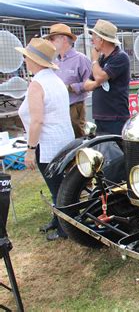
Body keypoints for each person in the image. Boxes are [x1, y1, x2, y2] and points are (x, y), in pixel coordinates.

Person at [15, 38, 75, 241]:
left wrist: (30, 149)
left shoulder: (37, 84)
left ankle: (64, 228)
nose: (25, 60)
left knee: (57, 188)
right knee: (61, 185)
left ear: (35, 60)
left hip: (48, 144)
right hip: (63, 139)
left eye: (27, 57)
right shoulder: (55, 80)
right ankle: (58, 221)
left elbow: (37, 121)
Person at [44, 23, 92, 138]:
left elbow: (91, 83)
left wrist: (71, 87)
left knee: (77, 139)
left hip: (74, 107)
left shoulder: (81, 59)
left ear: (64, 39)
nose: (50, 42)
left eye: (52, 38)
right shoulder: (55, 61)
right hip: (58, 108)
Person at [83, 19, 130, 135]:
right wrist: (97, 83)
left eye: (93, 36)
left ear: (101, 40)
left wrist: (94, 60)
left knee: (116, 151)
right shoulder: (101, 60)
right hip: (101, 117)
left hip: (115, 118)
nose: (92, 40)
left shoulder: (120, 57)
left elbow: (98, 77)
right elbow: (87, 84)